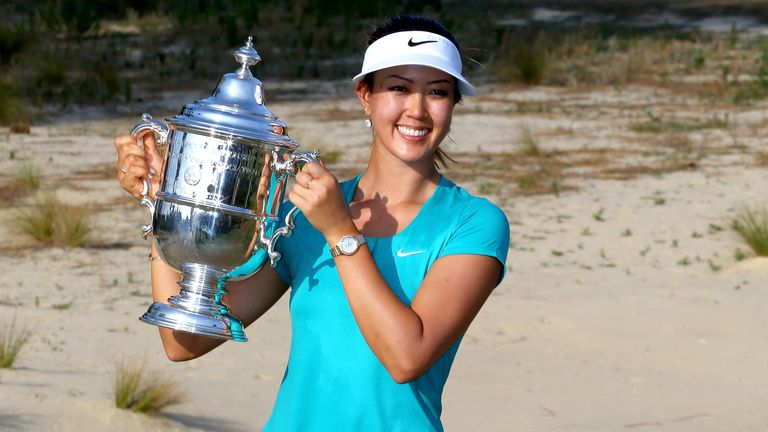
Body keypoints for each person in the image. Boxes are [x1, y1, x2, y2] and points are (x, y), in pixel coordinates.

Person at [114, 15, 510, 432]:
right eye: (398, 87)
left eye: (437, 92)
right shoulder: (304, 215)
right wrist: (167, 210)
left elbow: (407, 357)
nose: (417, 108)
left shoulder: (473, 223)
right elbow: (184, 343)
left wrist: (340, 231)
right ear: (365, 95)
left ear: (453, 104)